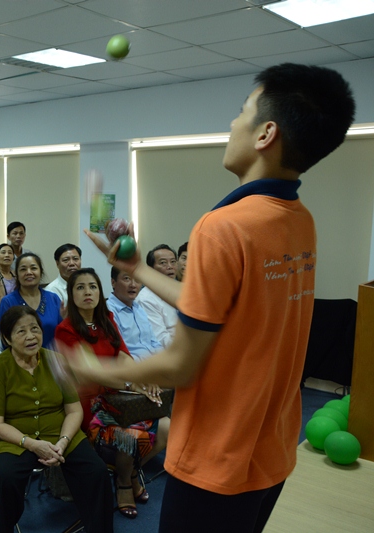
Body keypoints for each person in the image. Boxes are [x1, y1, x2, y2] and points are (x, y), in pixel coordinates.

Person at [70, 64, 356, 532]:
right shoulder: (298, 219)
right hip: (271, 450)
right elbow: (218, 305)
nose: (232, 123)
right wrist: (137, 268)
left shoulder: (223, 226)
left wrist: (95, 369)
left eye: (242, 111)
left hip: (216, 457)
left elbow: (181, 365)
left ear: (265, 133)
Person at [0, 306, 112, 533]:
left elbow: (74, 411)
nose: (30, 336)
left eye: (35, 329)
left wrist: (63, 441)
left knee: (97, 471)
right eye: (21, 331)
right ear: (7, 338)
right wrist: (32, 444)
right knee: (5, 479)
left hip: (60, 432)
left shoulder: (56, 361)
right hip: (17, 439)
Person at [54, 268, 168, 519]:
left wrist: (140, 379)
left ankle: (128, 471)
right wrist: (130, 384)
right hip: (91, 405)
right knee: (128, 436)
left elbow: (123, 354)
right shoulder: (66, 329)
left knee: (168, 428)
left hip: (117, 397)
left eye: (92, 286)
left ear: (100, 291)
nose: (87, 292)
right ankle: (125, 483)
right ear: (71, 294)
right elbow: (92, 372)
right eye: (80, 287)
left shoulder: (106, 318)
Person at [0, 253, 62, 350]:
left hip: (52, 357)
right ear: (17, 274)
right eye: (23, 269)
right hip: (20, 358)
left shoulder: (53, 298)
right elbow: (3, 338)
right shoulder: (8, 302)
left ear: (41, 272)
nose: (29, 272)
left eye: (33, 268)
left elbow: (62, 333)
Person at [107, 268, 163, 360]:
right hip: (135, 366)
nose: (133, 285)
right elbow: (119, 353)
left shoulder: (138, 308)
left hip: (154, 363)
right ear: (113, 282)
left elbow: (154, 342)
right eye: (127, 279)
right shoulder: (109, 311)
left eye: (137, 280)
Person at [135, 245, 179, 347]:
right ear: (151, 269)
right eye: (163, 263)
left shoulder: (179, 291)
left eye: (173, 262)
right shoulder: (146, 299)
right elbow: (160, 340)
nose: (170, 266)